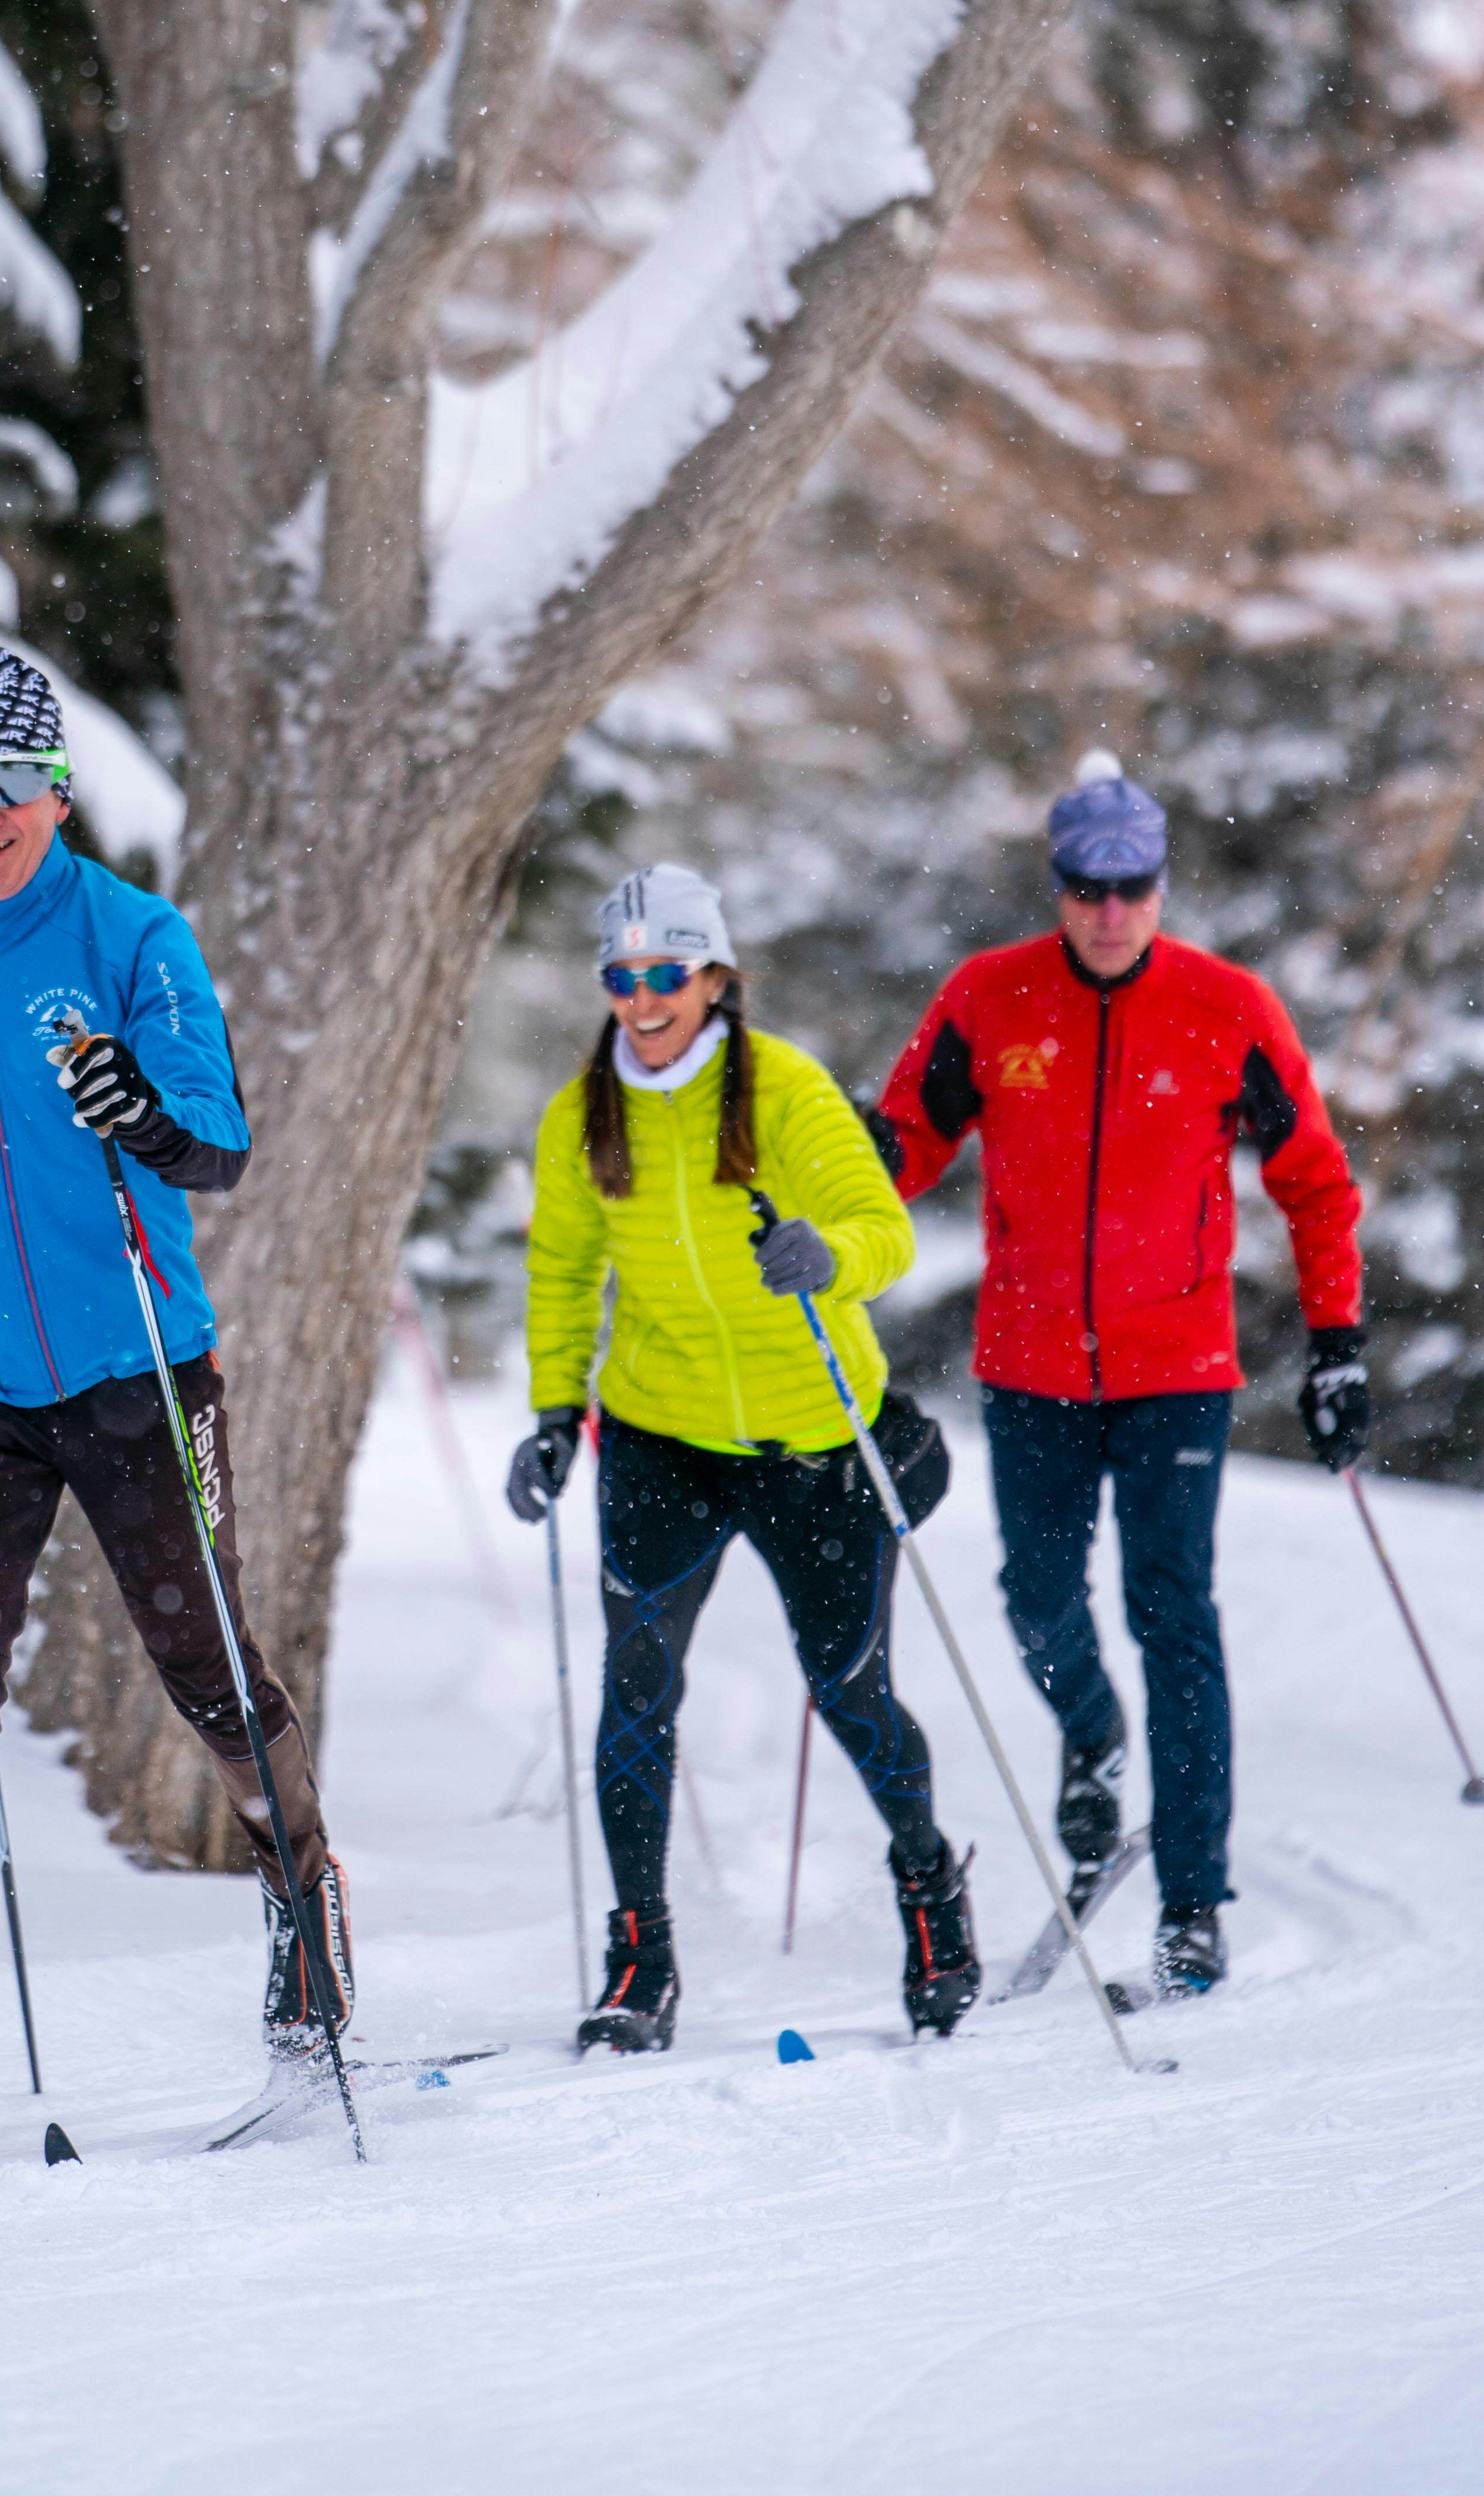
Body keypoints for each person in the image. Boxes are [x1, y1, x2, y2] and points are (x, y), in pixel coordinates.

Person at [0, 646, 348, 2164]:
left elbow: (217, 1139)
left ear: (58, 793)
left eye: (9, 784)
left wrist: (145, 1103)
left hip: (137, 1366)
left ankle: (302, 1910)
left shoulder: (135, 937)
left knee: (202, 1667)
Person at [873, 759, 1366, 2004]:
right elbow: (905, 1138)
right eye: (1085, 889)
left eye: (1130, 888)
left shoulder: (1226, 1008)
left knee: (1173, 1616)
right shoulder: (989, 1000)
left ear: (1158, 885)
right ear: (1057, 886)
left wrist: (1336, 1343)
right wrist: (832, 1211)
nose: (1107, 912)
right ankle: (1090, 1736)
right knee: (1035, 1599)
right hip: (1029, 1361)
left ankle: (1192, 1900)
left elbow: (1310, 1180)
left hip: (1174, 1365)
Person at [507, 862, 979, 2050]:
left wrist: (829, 1256)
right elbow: (562, 1271)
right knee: (634, 1687)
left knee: (847, 1688)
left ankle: (928, 1889)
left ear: (716, 977)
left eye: (667, 972)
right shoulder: (582, 1116)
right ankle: (637, 1961)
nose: (643, 997)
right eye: (622, 976)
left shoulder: (781, 1092)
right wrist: (556, 1413)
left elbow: (883, 1227)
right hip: (660, 1434)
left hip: (809, 1436)